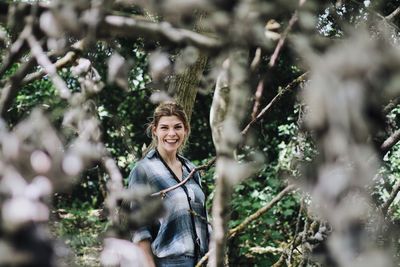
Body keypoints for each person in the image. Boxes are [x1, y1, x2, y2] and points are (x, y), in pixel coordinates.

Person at [128, 102, 209, 267]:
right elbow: (138, 228)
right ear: (155, 131)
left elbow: (204, 219)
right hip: (168, 262)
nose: (172, 133)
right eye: (164, 127)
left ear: (185, 130)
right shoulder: (144, 170)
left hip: (202, 260)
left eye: (177, 127)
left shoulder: (191, 169)